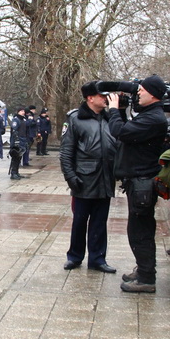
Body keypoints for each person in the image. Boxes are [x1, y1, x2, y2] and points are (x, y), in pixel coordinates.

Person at [108, 75, 169, 293]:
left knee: (140, 231)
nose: (138, 93)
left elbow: (121, 132)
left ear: (153, 94)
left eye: (142, 90)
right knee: (138, 229)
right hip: (138, 180)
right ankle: (144, 270)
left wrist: (114, 110)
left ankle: (146, 278)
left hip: (143, 181)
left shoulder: (154, 118)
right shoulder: (149, 115)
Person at [59, 81, 118, 274]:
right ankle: (75, 256)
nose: (106, 99)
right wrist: (70, 177)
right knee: (79, 221)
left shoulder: (110, 118)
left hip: (105, 178)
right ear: (90, 98)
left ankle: (98, 259)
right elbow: (66, 152)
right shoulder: (75, 118)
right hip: (84, 179)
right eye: (102, 96)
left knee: (100, 222)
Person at [9, 106, 27, 180]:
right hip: (17, 141)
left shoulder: (23, 119)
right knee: (15, 157)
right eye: (21, 111)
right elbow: (14, 130)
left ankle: (16, 172)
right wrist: (16, 141)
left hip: (22, 140)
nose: (23, 112)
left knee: (19, 157)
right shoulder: (16, 120)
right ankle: (13, 173)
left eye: (23, 111)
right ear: (18, 112)